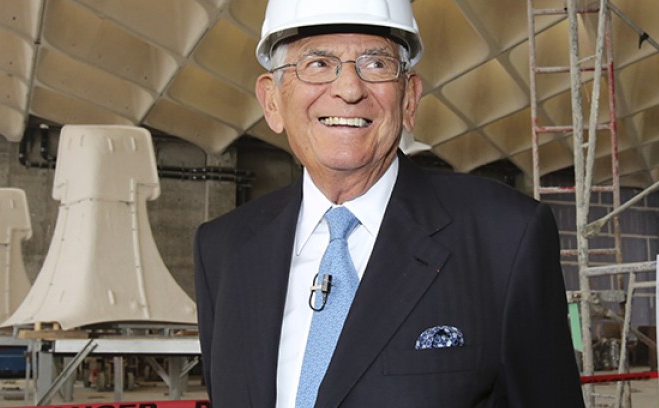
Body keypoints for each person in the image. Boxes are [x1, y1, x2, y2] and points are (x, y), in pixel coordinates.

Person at [192, 0, 585, 406]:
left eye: (376, 64)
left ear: (410, 98)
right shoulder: (223, 250)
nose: (348, 89)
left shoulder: (503, 238)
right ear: (272, 100)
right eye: (318, 64)